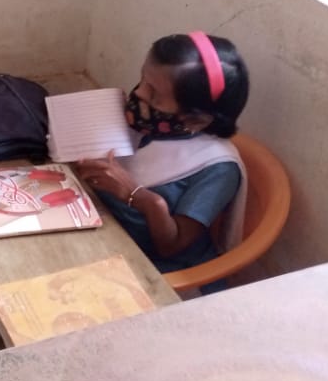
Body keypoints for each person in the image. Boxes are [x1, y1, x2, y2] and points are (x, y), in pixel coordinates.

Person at [75, 32, 250, 290]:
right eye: (143, 80)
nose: (140, 94)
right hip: (109, 239)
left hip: (164, 275)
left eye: (155, 95)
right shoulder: (147, 129)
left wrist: (143, 198)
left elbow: (171, 247)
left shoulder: (218, 168)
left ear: (196, 120)